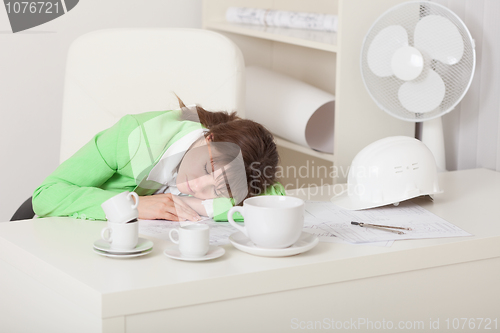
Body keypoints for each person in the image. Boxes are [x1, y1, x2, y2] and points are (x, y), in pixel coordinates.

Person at [32, 96, 284, 222]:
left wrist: (198, 206)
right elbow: (45, 195)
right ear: (210, 139)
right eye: (208, 168)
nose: (197, 186)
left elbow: (275, 200)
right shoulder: (131, 135)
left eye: (219, 188)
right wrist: (133, 205)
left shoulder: (237, 175)